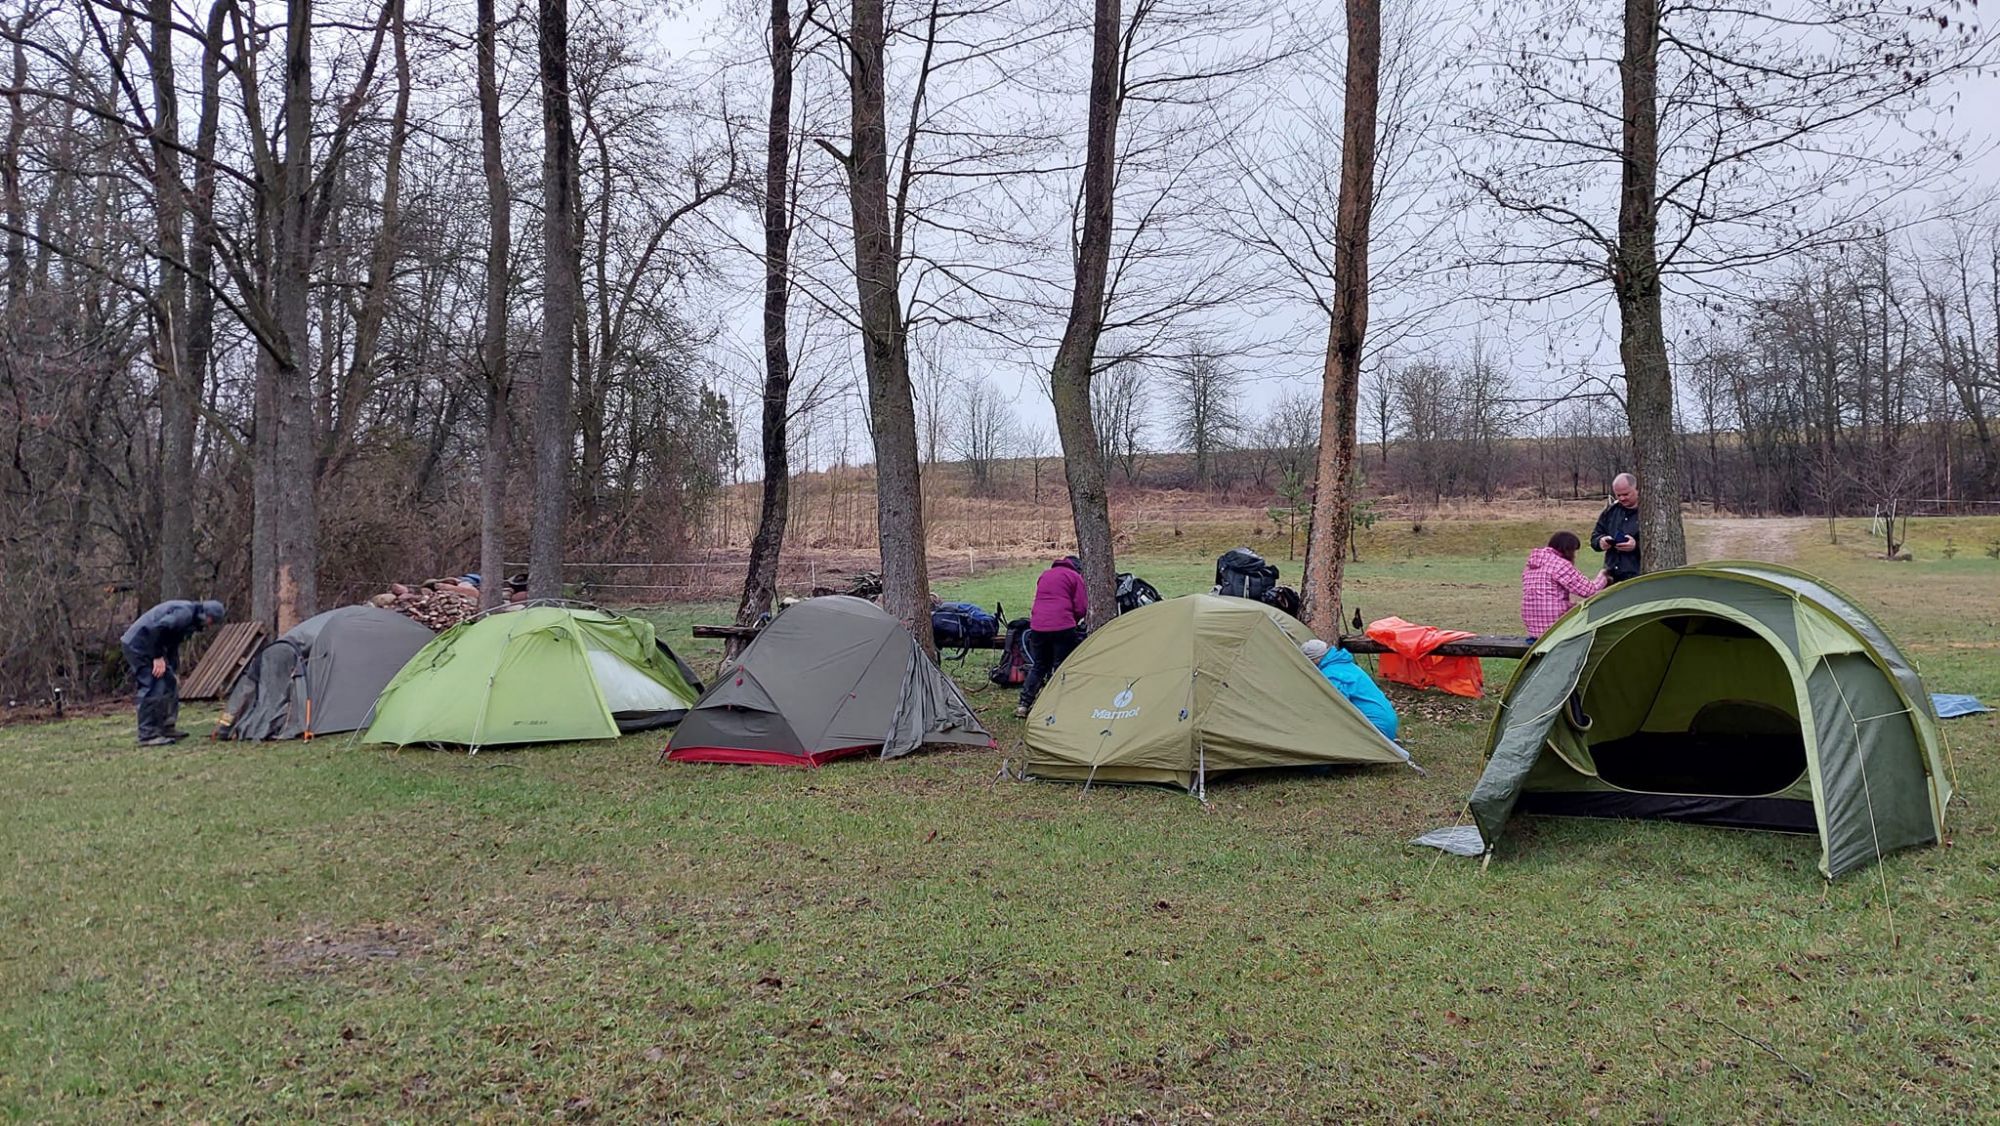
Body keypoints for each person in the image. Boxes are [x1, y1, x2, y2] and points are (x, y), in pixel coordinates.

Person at [121, 599, 225, 746]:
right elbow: (159, 629)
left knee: (169, 683)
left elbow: (171, 643)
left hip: (149, 644)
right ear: (206, 614)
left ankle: (166, 727)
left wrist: (172, 667)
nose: (209, 625)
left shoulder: (190, 620)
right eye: (211, 621)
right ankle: (147, 735)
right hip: (138, 645)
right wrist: (157, 656)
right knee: (153, 686)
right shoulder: (184, 613)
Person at [1015, 555, 1087, 718]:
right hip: (1063, 626)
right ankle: (1057, 705)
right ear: (1077, 568)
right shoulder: (1075, 576)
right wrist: (1074, 620)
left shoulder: (1045, 575)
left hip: (1038, 627)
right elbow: (1081, 607)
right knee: (1061, 666)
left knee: (1039, 666)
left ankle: (1024, 704)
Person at [1300, 638, 1399, 742]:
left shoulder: (1331, 675)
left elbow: (1334, 708)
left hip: (1375, 728)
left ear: (1315, 660)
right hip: (1387, 721)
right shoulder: (1345, 665)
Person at [1521, 531, 1608, 636]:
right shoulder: (1560, 564)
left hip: (1534, 629)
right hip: (1554, 628)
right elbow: (1590, 591)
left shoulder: (1531, 565)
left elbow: (1546, 596)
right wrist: (1604, 575)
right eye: (1575, 551)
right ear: (1568, 549)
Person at [1591, 472, 1643, 583]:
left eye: (1626, 494)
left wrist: (1636, 545)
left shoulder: (1649, 514)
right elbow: (1595, 536)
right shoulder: (1610, 511)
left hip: (1638, 576)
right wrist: (1600, 542)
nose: (1622, 498)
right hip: (1611, 576)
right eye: (1618, 495)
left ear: (1637, 490)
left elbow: (1660, 544)